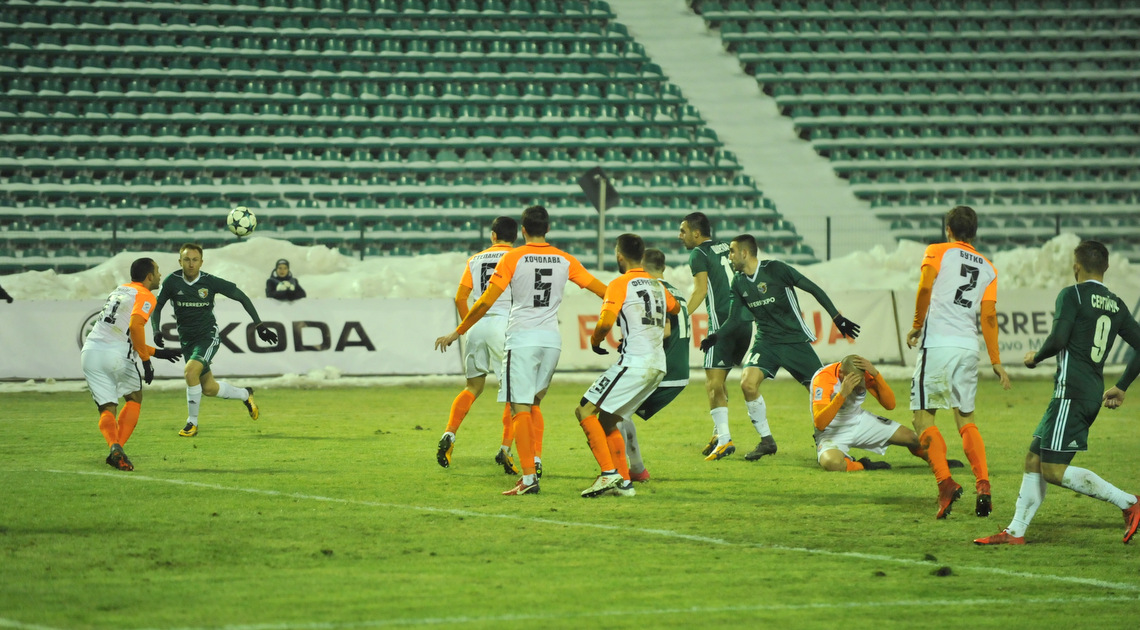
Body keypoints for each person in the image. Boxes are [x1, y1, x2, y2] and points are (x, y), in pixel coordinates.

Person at [975, 240, 1140, 545]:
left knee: (1052, 470)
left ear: (1076, 267)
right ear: (1106, 267)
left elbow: (1058, 338)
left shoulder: (1072, 294)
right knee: (1033, 459)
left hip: (1071, 394)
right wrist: (1122, 386)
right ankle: (1015, 532)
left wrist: (1035, 358)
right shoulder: (1116, 304)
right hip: (1084, 393)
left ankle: (1129, 502)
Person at [435, 205, 607, 496]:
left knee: (516, 403)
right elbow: (603, 291)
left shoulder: (511, 257)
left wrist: (459, 330)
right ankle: (532, 459)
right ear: (547, 229)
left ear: (523, 230)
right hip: (550, 339)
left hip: (518, 336)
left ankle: (526, 475)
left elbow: (481, 300)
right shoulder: (565, 259)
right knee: (534, 402)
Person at [700, 234, 860, 460]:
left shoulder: (776, 269)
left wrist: (837, 318)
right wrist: (715, 336)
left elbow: (813, 288)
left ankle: (831, 438)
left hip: (794, 340)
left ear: (744, 253)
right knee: (747, 383)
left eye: (732, 252)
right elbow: (735, 318)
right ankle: (767, 441)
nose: (730, 256)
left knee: (820, 391)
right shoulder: (738, 282)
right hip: (766, 342)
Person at [907, 205, 1011, 520]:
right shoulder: (989, 267)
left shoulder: (937, 250)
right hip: (967, 347)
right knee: (966, 419)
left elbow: (926, 286)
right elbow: (988, 316)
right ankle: (983, 485)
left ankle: (946, 483)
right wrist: (996, 360)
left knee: (923, 419)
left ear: (948, 229)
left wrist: (916, 324)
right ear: (974, 233)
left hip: (939, 344)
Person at [576, 234, 680, 498]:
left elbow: (605, 321)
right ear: (642, 256)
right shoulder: (657, 284)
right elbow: (675, 307)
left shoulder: (619, 283)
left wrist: (595, 340)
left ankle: (608, 474)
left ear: (619, 256)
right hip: (657, 364)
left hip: (635, 362)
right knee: (608, 420)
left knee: (584, 410)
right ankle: (624, 483)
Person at [436, 216, 542, 476]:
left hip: (477, 325)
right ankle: (505, 449)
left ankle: (449, 433)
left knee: (473, 387)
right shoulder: (520, 257)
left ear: (493, 236)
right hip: (506, 325)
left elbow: (460, 297)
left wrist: (468, 325)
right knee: (515, 392)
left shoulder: (475, 259)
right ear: (517, 236)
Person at [152, 243, 279, 437]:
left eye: (195, 260)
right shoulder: (172, 282)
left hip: (207, 337)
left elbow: (242, 297)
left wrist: (259, 325)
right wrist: (156, 330)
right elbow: (157, 306)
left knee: (190, 372)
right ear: (180, 261)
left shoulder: (210, 282)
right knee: (209, 388)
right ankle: (245, 394)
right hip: (187, 341)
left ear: (201, 262)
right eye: (187, 260)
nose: (191, 264)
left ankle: (192, 423)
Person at [80, 258, 182, 470]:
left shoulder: (119, 290)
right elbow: (135, 327)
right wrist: (146, 361)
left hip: (90, 352)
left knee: (107, 406)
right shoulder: (145, 295)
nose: (160, 275)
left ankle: (115, 448)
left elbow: (122, 332)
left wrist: (157, 353)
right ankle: (117, 450)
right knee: (134, 397)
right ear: (149, 276)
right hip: (116, 354)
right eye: (158, 271)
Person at [678, 212, 756, 461]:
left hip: (722, 324)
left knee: (713, 383)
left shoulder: (698, 254)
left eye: (683, 231)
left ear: (696, 233)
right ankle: (717, 433)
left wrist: (681, 316)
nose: (680, 236)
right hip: (744, 322)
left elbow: (700, 291)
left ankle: (724, 439)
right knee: (718, 380)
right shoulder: (725, 247)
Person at [810, 355, 964, 472]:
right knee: (832, 463)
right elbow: (820, 423)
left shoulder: (863, 374)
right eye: (854, 380)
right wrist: (842, 394)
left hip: (858, 421)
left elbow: (890, 405)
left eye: (860, 379)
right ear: (842, 374)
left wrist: (876, 375)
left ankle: (938, 462)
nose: (859, 383)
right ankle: (862, 465)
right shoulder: (823, 379)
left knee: (914, 438)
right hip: (831, 431)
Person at [619, 248, 690, 483]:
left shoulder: (653, 290)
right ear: (664, 267)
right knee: (620, 412)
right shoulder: (675, 291)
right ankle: (636, 469)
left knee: (613, 411)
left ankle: (621, 471)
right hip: (678, 369)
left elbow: (665, 330)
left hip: (663, 370)